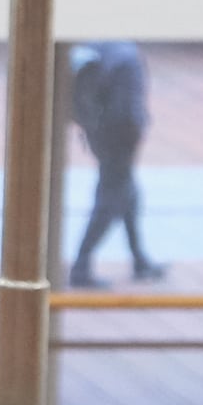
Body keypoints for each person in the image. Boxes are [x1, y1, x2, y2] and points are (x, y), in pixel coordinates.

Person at [67, 38, 160, 287]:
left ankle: (140, 259)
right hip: (119, 140)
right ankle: (81, 265)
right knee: (111, 200)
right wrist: (134, 134)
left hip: (101, 135)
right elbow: (128, 110)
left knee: (129, 195)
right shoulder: (128, 58)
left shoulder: (98, 48)